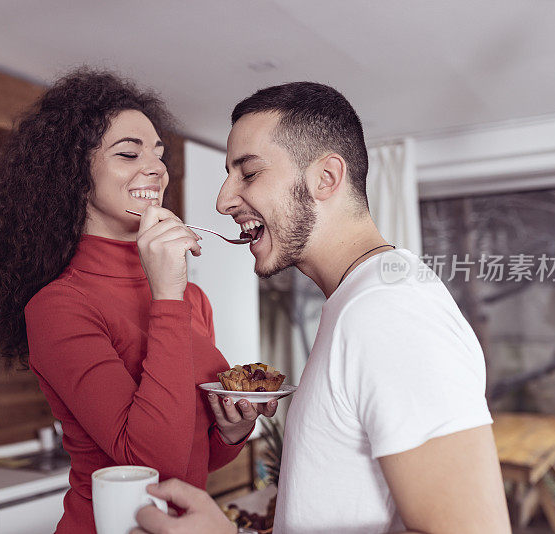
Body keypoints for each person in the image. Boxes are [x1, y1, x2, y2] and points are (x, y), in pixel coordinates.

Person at [133, 82, 511, 533]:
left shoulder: (389, 312)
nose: (223, 200)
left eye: (248, 173)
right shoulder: (358, 302)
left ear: (326, 179)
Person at [0, 68, 276, 534]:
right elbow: (152, 461)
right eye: (128, 153)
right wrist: (167, 296)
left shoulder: (191, 296)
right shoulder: (59, 306)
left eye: (158, 154)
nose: (156, 168)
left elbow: (192, 460)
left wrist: (231, 432)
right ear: (75, 177)